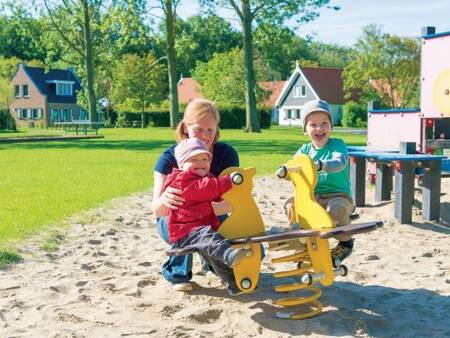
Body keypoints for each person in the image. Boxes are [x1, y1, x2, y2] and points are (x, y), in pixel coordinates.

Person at [152, 98, 239, 292]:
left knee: (244, 251)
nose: (205, 136)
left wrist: (201, 206)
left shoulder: (226, 154)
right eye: (198, 129)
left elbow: (232, 204)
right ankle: (177, 272)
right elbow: (156, 210)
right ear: (185, 127)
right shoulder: (169, 158)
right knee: (188, 225)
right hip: (174, 219)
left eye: (211, 129)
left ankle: (213, 263)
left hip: (213, 215)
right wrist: (165, 199)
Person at [163, 137, 250, 296]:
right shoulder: (182, 180)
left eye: (205, 158)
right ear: (182, 164)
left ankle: (233, 283)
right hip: (186, 230)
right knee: (211, 239)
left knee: (214, 257)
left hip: (199, 228)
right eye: (194, 159)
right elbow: (207, 189)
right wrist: (229, 181)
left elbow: (214, 196)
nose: (201, 162)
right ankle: (228, 254)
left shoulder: (204, 177)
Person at [285, 99, 355, 264]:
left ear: (331, 126)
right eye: (313, 124)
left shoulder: (337, 145)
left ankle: (346, 243)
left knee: (336, 209)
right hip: (312, 197)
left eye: (324, 123)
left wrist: (321, 165)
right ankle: (301, 240)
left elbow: (339, 162)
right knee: (291, 205)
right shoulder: (304, 151)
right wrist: (285, 171)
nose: (319, 128)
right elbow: (293, 165)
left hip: (338, 195)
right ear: (305, 129)